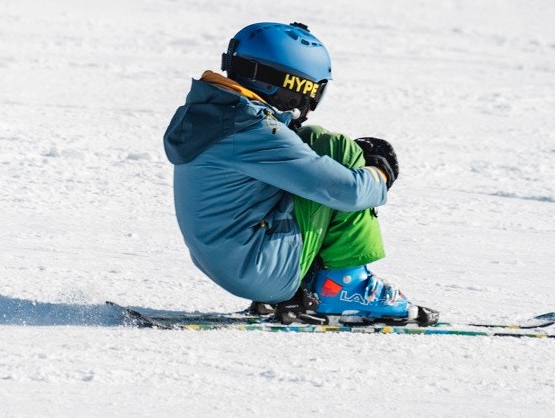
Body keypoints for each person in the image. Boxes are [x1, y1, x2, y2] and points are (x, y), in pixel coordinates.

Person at [162, 21, 436, 325]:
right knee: (341, 152)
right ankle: (346, 288)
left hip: (232, 259)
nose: (311, 106)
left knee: (316, 140)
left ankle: (314, 284)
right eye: (314, 92)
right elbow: (347, 191)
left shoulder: (218, 113)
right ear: (294, 88)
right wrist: (380, 171)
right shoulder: (252, 131)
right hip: (261, 270)